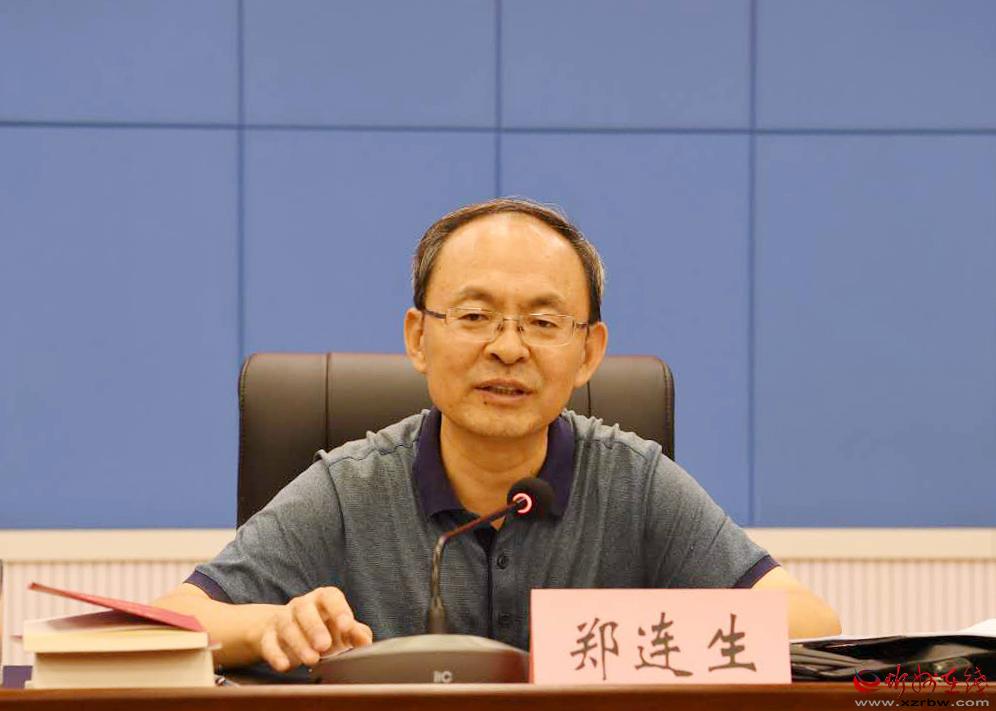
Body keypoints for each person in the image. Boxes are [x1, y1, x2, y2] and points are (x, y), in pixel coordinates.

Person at [153, 198, 841, 672]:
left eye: (543, 323)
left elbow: (812, 623)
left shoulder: (633, 481)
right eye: (475, 315)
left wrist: (606, 641)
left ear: (589, 352)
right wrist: (265, 625)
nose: (508, 348)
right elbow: (169, 624)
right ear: (418, 338)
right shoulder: (348, 488)